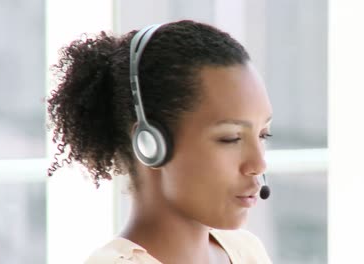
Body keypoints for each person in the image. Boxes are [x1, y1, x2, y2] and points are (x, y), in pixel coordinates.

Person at [47, 20, 273, 264]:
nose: (259, 164)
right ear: (150, 145)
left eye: (263, 135)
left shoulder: (246, 251)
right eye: (231, 138)